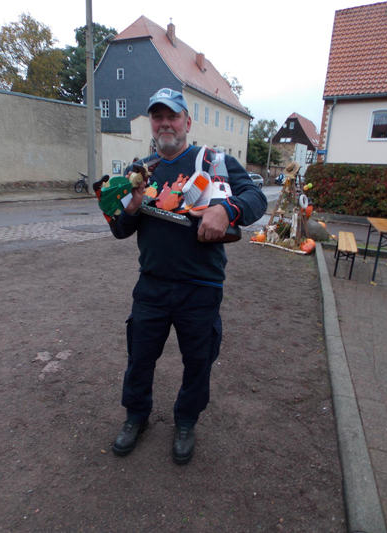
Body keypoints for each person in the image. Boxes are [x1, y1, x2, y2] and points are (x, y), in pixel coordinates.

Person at [106, 88, 267, 465]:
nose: (165, 123)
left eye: (172, 116)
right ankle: (136, 417)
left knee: (198, 361)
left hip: (201, 287)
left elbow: (255, 198)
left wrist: (228, 209)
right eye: (157, 116)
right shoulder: (139, 171)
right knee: (140, 358)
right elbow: (119, 229)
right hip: (152, 284)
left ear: (186, 123)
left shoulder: (213, 162)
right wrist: (130, 207)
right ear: (151, 123)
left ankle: (185, 421)